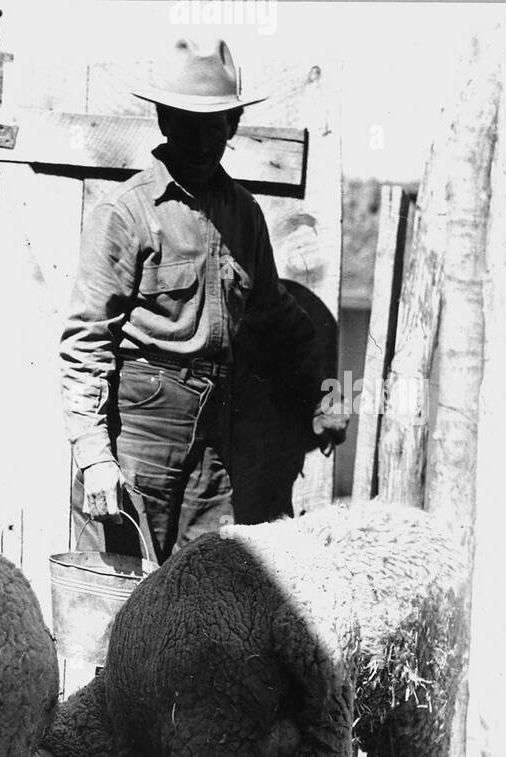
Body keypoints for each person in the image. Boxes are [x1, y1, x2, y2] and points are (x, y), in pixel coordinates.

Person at [60, 37, 346, 563]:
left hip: (217, 432)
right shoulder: (126, 213)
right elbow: (84, 343)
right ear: (164, 120)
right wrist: (94, 456)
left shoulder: (244, 215)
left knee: (204, 589)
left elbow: (278, 321)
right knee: (122, 587)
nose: (201, 139)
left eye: (215, 124)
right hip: (140, 425)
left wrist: (326, 392)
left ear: (233, 126)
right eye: (187, 123)